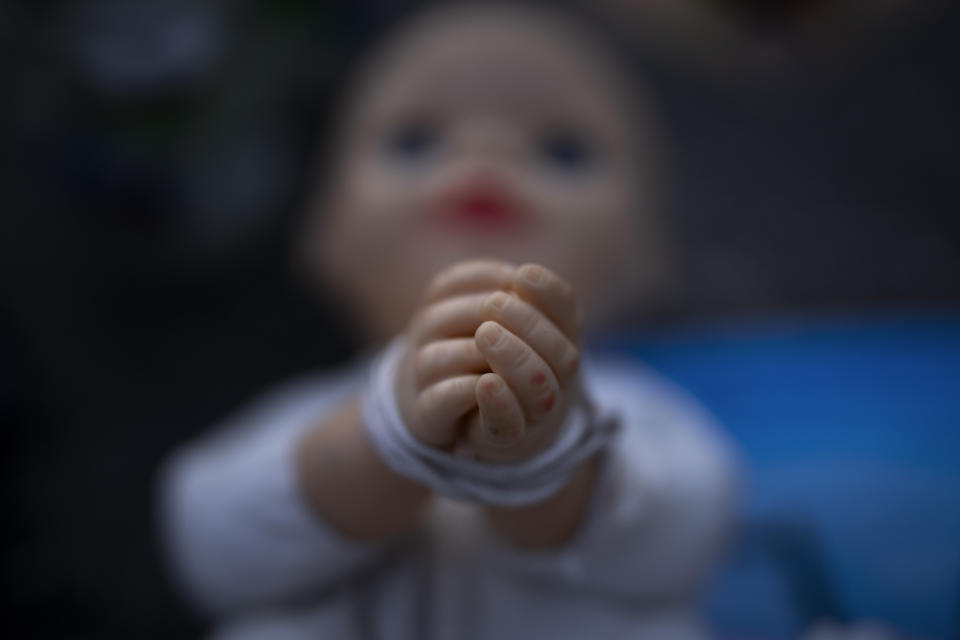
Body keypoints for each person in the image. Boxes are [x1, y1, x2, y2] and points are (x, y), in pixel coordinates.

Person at [159, 3, 740, 638]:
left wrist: (547, 456)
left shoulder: (644, 422)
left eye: (563, 151)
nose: (484, 154)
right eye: (414, 142)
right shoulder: (304, 421)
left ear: (641, 255)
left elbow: (680, 533)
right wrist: (382, 439)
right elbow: (207, 542)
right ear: (329, 234)